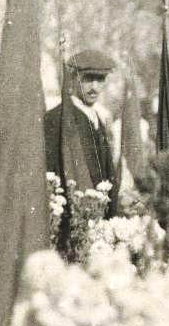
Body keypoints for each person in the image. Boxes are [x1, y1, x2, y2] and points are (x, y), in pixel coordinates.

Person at [44, 48, 118, 217]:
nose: (94, 87)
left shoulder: (98, 118)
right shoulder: (56, 118)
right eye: (88, 80)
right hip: (71, 214)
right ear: (74, 79)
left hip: (98, 213)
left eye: (100, 80)